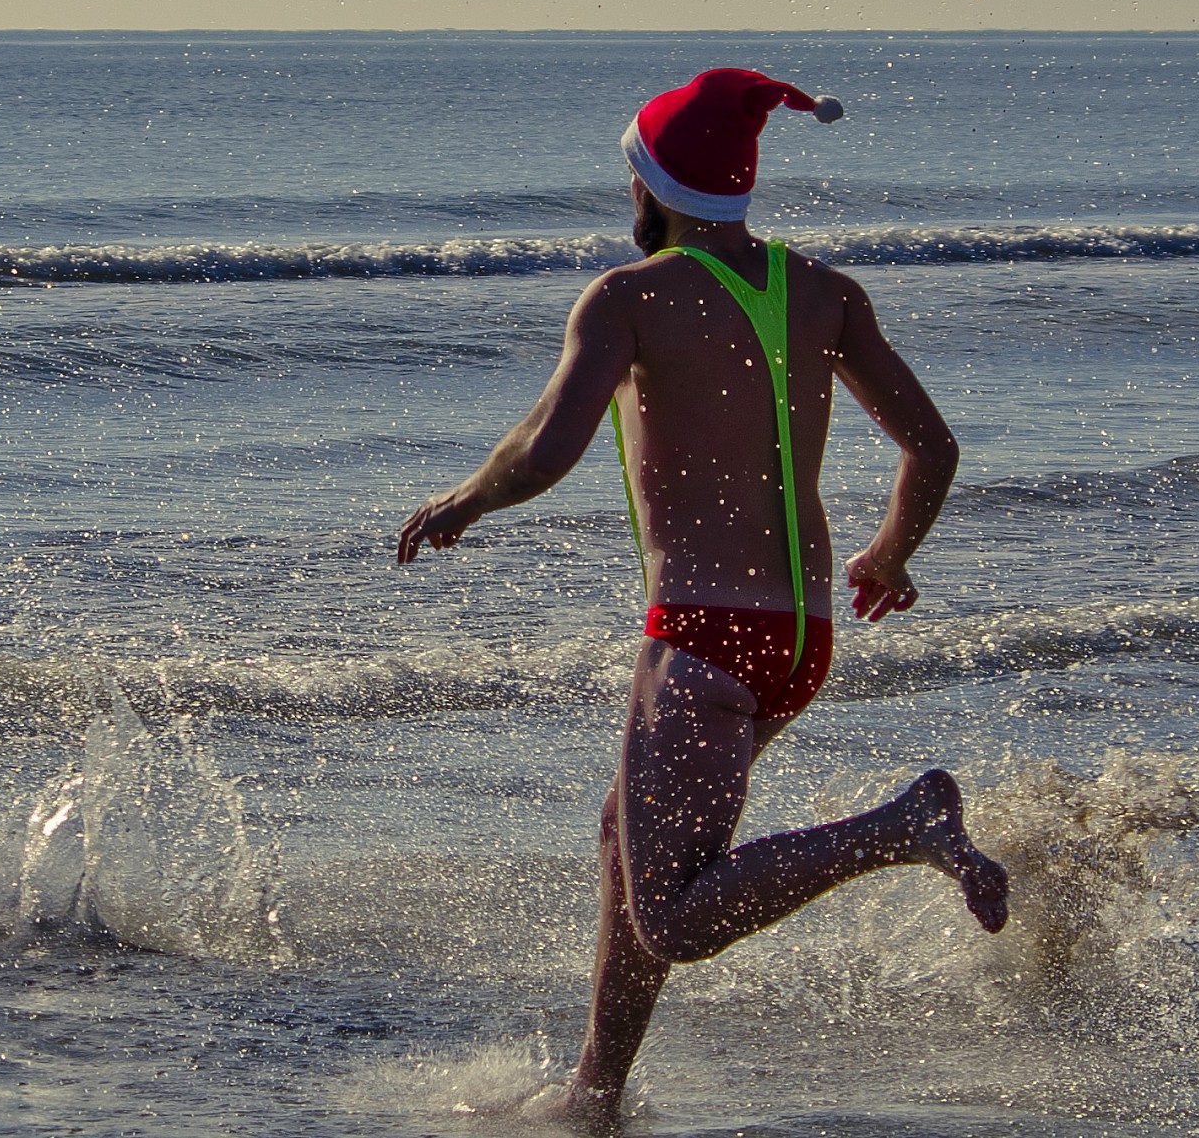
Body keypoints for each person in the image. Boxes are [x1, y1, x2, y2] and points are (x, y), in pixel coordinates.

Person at [396, 71, 1007, 1133]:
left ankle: (905, 825)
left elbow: (544, 449)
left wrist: (464, 500)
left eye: (629, 174)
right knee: (626, 844)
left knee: (672, 911)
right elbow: (934, 445)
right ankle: (597, 1089)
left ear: (655, 186)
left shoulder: (629, 298)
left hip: (703, 638)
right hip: (800, 639)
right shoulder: (823, 291)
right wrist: (889, 553)